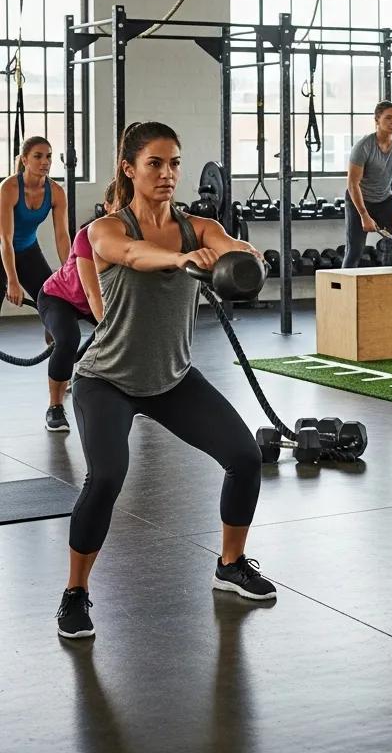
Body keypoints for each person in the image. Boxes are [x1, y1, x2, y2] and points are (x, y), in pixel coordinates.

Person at [56, 122, 274, 642]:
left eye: (174, 162)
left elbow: (230, 245)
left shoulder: (197, 226)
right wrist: (179, 260)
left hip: (171, 378)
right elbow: (133, 256)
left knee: (244, 458)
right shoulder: (106, 229)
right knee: (107, 476)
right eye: (155, 163)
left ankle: (231, 563)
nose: (168, 173)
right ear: (129, 168)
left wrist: (247, 257)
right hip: (107, 378)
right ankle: (75, 592)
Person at [35, 182, 116, 433]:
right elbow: (93, 293)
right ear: (107, 206)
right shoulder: (88, 235)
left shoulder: (134, 239)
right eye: (121, 204)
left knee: (127, 330)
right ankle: (55, 407)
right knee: (69, 339)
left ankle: (141, 393)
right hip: (59, 297)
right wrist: (113, 327)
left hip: (91, 302)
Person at [1, 135, 71, 308]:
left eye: (48, 156)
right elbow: (5, 239)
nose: (45, 162)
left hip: (28, 249)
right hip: (2, 249)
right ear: (25, 160)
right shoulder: (9, 188)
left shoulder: (56, 192)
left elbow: (62, 236)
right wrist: (12, 280)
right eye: (38, 156)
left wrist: (70, 272)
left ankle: (54, 334)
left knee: (52, 300)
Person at [343, 100, 392, 267]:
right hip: (358, 200)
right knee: (355, 251)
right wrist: (364, 215)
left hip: (384, 201)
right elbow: (353, 183)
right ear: (377, 120)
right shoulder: (363, 147)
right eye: (388, 118)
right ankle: (341, 292)